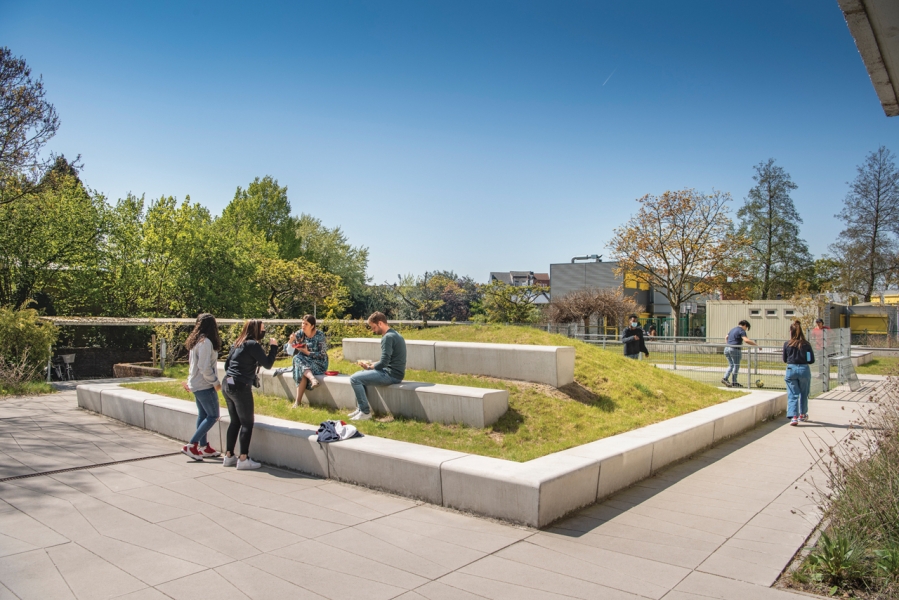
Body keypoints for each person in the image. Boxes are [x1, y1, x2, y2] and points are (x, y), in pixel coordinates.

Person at [221, 320, 279, 470]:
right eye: (263, 329)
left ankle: (228, 456)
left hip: (227, 382)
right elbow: (267, 364)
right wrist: (274, 347)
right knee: (247, 423)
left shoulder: (238, 343)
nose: (264, 331)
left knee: (235, 421)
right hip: (240, 385)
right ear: (256, 330)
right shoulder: (252, 344)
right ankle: (243, 458)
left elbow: (227, 365)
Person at [348, 312, 406, 421]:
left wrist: (370, 368)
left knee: (355, 379)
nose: (373, 330)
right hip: (395, 372)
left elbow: (384, 363)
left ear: (380, 323)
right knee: (359, 375)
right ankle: (360, 408)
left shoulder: (387, 337)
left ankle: (365, 412)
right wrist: (373, 364)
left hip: (391, 375)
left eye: (373, 327)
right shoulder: (395, 334)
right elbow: (388, 360)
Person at [181, 313, 223, 461]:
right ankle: (191, 445)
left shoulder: (196, 341)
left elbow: (193, 366)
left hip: (196, 384)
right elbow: (204, 367)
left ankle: (204, 447)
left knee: (203, 415)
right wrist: (215, 382)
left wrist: (189, 381)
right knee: (213, 416)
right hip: (204, 385)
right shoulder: (206, 343)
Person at [284, 315, 328, 408]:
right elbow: (288, 351)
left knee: (298, 363)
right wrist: (290, 341)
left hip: (319, 363)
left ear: (312, 326)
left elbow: (322, 354)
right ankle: (312, 379)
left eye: (306, 324)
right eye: (302, 323)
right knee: (297, 360)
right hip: (304, 362)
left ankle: (297, 402)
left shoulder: (320, 335)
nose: (303, 325)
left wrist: (308, 353)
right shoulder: (300, 333)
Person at [783, 320, 815, 426]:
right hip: (804, 369)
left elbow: (784, 359)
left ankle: (794, 417)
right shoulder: (806, 344)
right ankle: (802, 414)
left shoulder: (787, 344)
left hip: (791, 369)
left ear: (791, 332)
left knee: (792, 394)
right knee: (804, 393)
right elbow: (811, 360)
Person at [722, 320, 757, 388]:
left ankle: (725, 378)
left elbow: (726, 337)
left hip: (727, 348)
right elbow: (746, 340)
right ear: (745, 325)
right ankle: (734, 382)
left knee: (731, 365)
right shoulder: (741, 330)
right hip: (735, 349)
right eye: (746, 328)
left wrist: (728, 344)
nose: (746, 329)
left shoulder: (732, 329)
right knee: (736, 365)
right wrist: (756, 345)